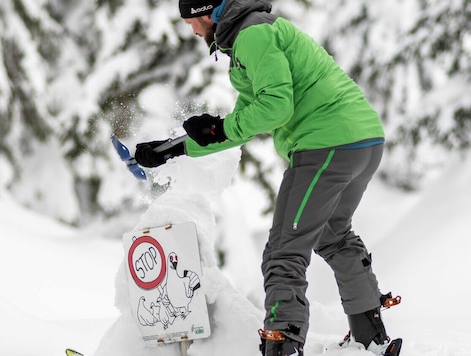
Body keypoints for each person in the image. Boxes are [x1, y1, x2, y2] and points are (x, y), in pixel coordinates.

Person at [134, 0, 402, 355]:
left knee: (283, 251)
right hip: (361, 141)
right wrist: (175, 149)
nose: (194, 32)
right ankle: (370, 338)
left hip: (326, 143)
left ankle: (282, 344)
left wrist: (216, 128)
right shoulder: (255, 31)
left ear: (210, 13)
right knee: (332, 235)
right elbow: (246, 120)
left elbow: (276, 107)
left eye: (192, 22)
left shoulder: (252, 34)